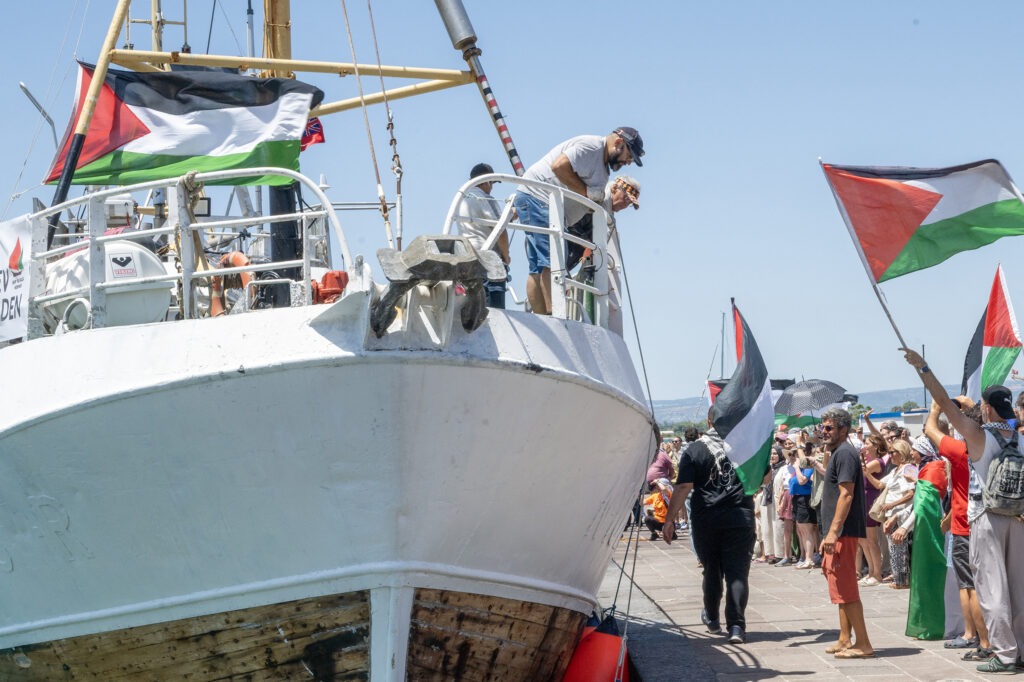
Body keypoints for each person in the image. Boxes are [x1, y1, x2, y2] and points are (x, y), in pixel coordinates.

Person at [901, 348, 1024, 674]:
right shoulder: (1020, 437)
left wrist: (923, 368)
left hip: (986, 516)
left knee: (992, 589)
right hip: (1017, 517)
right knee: (1019, 587)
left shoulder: (979, 436)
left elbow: (944, 403)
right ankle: (1021, 650)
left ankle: (1005, 655)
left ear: (987, 408)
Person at [514, 127, 644, 315]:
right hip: (541, 199)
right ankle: (555, 317)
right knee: (553, 261)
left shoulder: (601, 165)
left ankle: (543, 318)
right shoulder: (592, 148)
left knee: (538, 267)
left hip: (542, 203)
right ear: (618, 143)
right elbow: (559, 166)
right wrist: (586, 193)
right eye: (629, 156)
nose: (628, 162)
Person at [662, 409, 757, 645]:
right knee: (737, 573)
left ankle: (712, 618)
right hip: (739, 517)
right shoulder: (746, 447)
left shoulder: (695, 449)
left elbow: (683, 486)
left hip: (707, 518)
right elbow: (762, 478)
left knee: (712, 569)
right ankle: (736, 626)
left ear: (709, 421)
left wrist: (669, 519)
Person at [818, 407, 875, 660]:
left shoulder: (845, 453)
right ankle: (844, 638)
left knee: (846, 587)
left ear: (844, 430)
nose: (824, 431)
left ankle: (863, 643)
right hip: (838, 532)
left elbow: (846, 494)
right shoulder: (838, 453)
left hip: (843, 532)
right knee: (839, 585)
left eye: (829, 427)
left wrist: (833, 532)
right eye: (822, 427)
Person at [453, 162, 511, 308]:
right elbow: (500, 230)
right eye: (491, 183)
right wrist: (506, 256)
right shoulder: (485, 198)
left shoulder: (463, 198)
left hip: (467, 257)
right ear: (486, 181)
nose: (491, 188)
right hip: (487, 259)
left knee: (473, 306)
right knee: (494, 309)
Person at [565, 175, 641, 272]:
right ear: (614, 189)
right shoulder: (596, 199)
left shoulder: (609, 217)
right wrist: (589, 245)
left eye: (629, 203)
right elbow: (572, 222)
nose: (625, 204)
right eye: (626, 198)